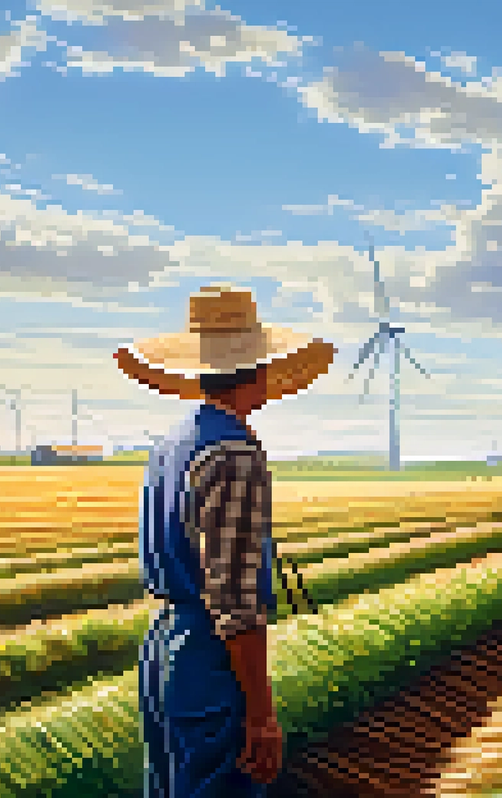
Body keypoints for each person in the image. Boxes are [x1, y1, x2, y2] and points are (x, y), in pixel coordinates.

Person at [115, 284, 336, 797]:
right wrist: (261, 715)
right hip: (211, 662)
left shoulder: (174, 440)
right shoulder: (232, 452)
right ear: (260, 370)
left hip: (166, 651)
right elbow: (233, 600)